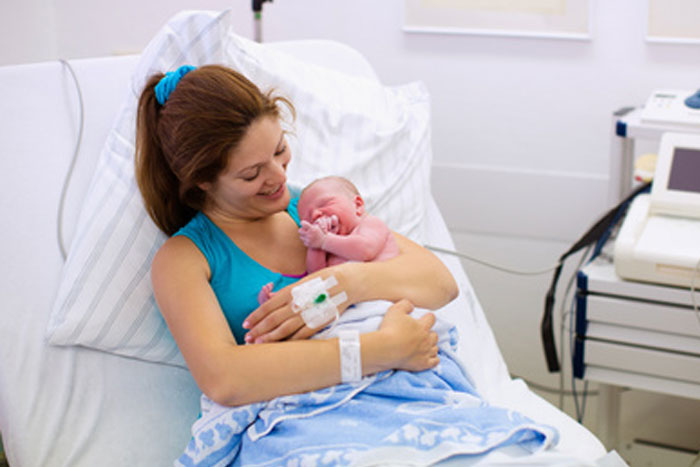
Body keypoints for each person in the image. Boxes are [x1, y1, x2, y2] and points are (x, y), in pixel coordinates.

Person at [134, 64, 458, 407]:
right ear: (203, 180)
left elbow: (440, 283)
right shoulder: (185, 258)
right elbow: (223, 379)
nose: (278, 176)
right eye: (252, 174)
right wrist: (379, 351)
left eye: (278, 150)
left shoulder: (315, 206)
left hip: (402, 389)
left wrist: (343, 284)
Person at [256, 175, 400, 304]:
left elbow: (365, 250)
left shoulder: (370, 224)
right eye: (308, 217)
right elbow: (316, 276)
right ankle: (277, 302)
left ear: (358, 205)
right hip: (349, 310)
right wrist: (315, 246)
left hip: (383, 301)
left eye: (324, 204)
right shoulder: (328, 246)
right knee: (316, 302)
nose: (316, 214)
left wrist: (324, 241)